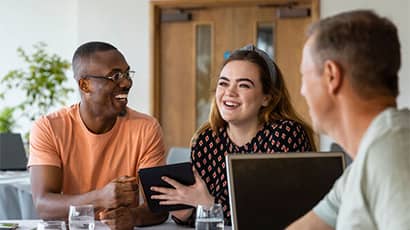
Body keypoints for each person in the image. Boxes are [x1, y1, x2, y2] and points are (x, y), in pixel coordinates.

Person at [151, 44, 316, 226]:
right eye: (223, 83)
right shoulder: (206, 140)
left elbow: (277, 215)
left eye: (244, 85)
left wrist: (208, 205)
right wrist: (185, 211)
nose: (229, 92)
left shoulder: (285, 134)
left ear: (267, 98)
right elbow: (201, 218)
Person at [287, 10, 410, 229]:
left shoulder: (392, 151)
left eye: (304, 77)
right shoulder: (364, 163)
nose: (302, 90)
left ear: (331, 75)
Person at [28, 41, 168, 229]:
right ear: (85, 85)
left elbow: (159, 208)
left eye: (127, 74)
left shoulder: (146, 128)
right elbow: (44, 205)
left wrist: (133, 217)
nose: (126, 82)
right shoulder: (49, 127)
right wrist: (101, 198)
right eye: (115, 76)